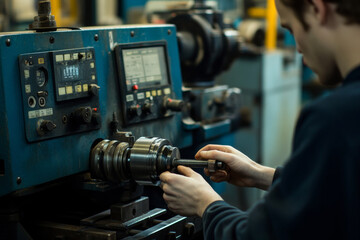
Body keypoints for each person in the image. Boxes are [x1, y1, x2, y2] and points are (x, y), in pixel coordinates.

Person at [159, 0, 360, 239]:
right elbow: (341, 191)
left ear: (317, 9)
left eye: (291, 28)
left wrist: (206, 204)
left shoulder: (334, 118)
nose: (297, 48)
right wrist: (261, 174)